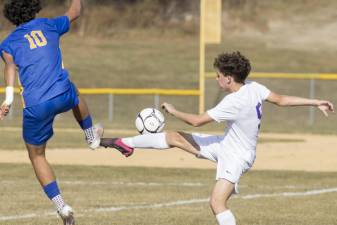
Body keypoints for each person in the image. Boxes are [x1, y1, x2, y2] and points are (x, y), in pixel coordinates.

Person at [100, 51, 334, 225]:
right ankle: (124, 144)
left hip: (236, 157)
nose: (216, 79)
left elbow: (196, 121)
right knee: (174, 137)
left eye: (219, 76)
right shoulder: (253, 87)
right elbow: (282, 100)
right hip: (225, 146)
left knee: (217, 203)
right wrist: (315, 102)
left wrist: (172, 110)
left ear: (229, 78)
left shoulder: (233, 102)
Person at [0, 0, 103, 224]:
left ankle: (62, 207)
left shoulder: (8, 43)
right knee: (74, 93)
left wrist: (7, 100)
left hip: (35, 105)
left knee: (36, 155)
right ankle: (90, 136)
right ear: (34, 8)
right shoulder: (49, 25)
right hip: (61, 93)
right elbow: (75, 11)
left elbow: (9, 68)